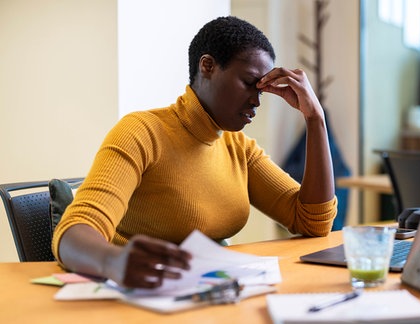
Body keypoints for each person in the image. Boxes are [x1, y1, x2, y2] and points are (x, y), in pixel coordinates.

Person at [52, 16, 337, 289]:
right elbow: (73, 233)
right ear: (208, 66)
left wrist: (315, 119)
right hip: (135, 296)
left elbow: (313, 222)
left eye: (262, 91)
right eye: (249, 83)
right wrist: (114, 262)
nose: (256, 101)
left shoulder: (239, 149)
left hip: (205, 295)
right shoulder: (141, 132)